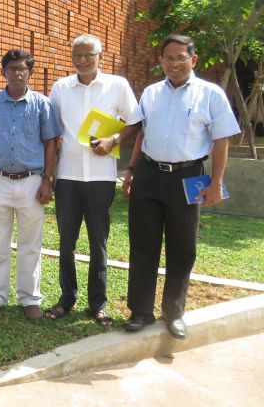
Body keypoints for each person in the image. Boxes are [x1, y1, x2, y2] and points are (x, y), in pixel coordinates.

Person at [122, 34, 239, 339]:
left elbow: (221, 141)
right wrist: (132, 169)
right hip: (149, 174)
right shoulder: (150, 93)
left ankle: (174, 313)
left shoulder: (210, 94)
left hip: (187, 177)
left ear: (193, 59)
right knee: (143, 244)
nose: (174, 64)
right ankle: (140, 311)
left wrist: (216, 183)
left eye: (180, 58)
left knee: (183, 247)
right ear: (161, 61)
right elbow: (142, 134)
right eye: (168, 58)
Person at [47, 34, 141, 326]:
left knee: (98, 242)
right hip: (67, 176)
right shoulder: (61, 88)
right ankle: (67, 298)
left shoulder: (117, 86)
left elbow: (135, 123)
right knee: (66, 242)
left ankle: (97, 304)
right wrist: (48, 172)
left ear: (101, 55)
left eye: (89, 55)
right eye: (77, 55)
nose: (83, 60)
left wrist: (114, 139)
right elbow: (50, 129)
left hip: (101, 177)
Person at [0, 49, 59, 319]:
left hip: (31, 182)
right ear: (4, 72)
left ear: (30, 72)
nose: (17, 73)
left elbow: (51, 143)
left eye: (22, 69)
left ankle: (30, 297)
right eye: (12, 69)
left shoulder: (42, 104)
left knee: (30, 243)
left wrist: (47, 180)